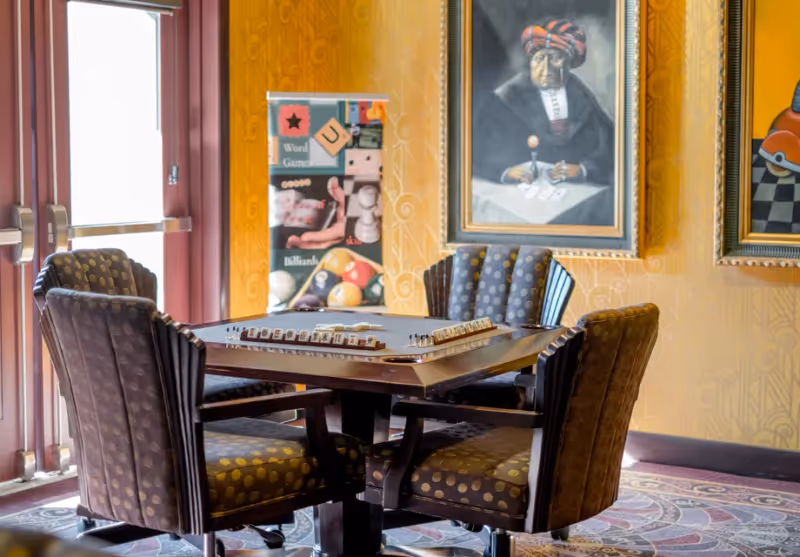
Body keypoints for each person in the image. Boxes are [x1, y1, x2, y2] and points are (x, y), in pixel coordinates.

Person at [473, 19, 615, 186]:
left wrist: (583, 169)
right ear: (530, 63)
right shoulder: (508, 96)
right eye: (540, 59)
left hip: (578, 191)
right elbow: (474, 152)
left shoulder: (577, 91)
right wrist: (504, 172)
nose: (547, 68)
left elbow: (611, 143)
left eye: (555, 59)